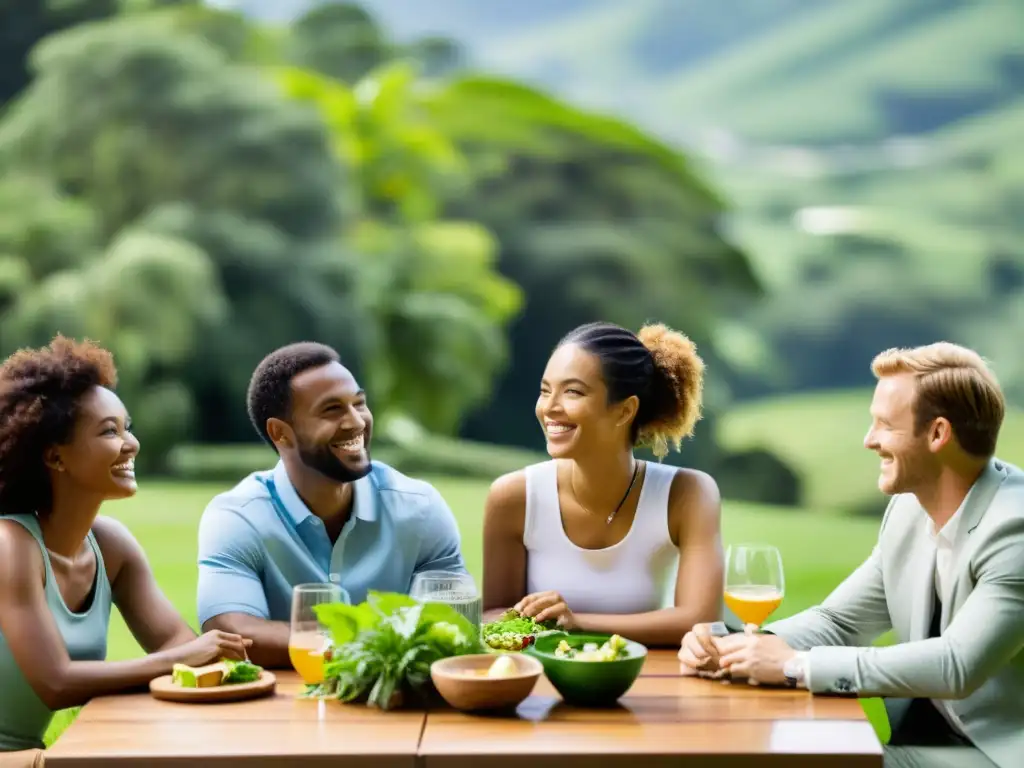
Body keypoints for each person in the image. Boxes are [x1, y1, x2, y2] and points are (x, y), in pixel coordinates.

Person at [679, 342, 1024, 768]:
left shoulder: (1015, 528)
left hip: (995, 753)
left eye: (884, 424)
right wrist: (741, 648)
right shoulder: (909, 509)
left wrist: (794, 666)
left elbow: (956, 665)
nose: (869, 440)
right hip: (930, 739)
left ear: (938, 434)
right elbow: (840, 621)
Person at [0, 336, 251, 755]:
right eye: (109, 431)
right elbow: (56, 683)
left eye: (127, 427)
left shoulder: (111, 546)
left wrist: (211, 657)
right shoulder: (11, 545)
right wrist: (184, 658)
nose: (130, 443)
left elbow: (176, 642)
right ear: (55, 458)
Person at [196, 342, 467, 668]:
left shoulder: (421, 509)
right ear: (280, 433)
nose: (356, 422)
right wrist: (380, 639)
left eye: (359, 403)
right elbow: (234, 633)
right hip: (282, 712)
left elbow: (452, 626)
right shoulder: (238, 517)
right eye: (332, 410)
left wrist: (331, 641)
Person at [482, 321, 724, 647]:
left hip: (647, 683)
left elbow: (700, 620)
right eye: (545, 390)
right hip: (541, 685)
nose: (550, 408)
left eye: (572, 392)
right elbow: (492, 614)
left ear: (625, 410)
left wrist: (577, 622)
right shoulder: (513, 497)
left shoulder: (688, 494)